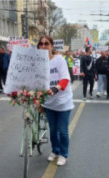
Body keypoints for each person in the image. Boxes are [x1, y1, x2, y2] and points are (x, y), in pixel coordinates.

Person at [38, 36, 74, 167]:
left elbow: (65, 79)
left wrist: (55, 88)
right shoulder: (38, 62)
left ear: (52, 46)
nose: (43, 46)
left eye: (46, 43)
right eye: (41, 44)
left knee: (62, 130)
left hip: (63, 102)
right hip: (48, 103)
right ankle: (55, 150)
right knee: (53, 130)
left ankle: (63, 154)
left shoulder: (59, 60)